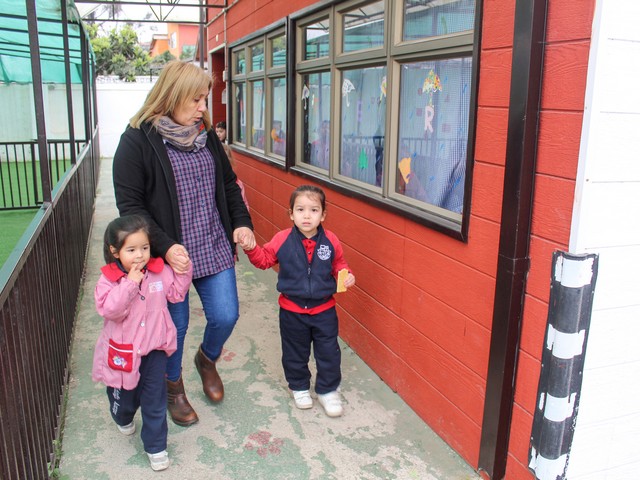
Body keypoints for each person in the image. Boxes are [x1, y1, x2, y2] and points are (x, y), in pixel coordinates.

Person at [112, 61, 255, 427]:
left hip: (211, 244)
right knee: (173, 329)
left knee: (225, 315)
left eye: (204, 99)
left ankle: (206, 359)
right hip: (168, 257)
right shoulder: (136, 141)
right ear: (173, 96)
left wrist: (241, 223)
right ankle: (173, 387)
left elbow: (228, 185)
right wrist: (164, 245)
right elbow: (131, 208)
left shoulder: (205, 134)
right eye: (196, 99)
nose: (203, 107)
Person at [239, 185, 355, 417]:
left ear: (323, 215)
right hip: (292, 311)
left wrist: (347, 275)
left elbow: (339, 264)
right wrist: (251, 249)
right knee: (295, 351)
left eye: (314, 210)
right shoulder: (282, 239)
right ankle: (299, 387)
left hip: (324, 310)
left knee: (329, 352)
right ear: (291, 214)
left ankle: (327, 390)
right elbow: (264, 260)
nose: (307, 215)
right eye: (300, 210)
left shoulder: (330, 240)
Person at [92, 215, 193, 471]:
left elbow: (176, 294)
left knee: (155, 399)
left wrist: (184, 269)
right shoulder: (109, 279)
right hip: (123, 351)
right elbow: (111, 310)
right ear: (115, 251)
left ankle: (156, 446)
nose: (140, 255)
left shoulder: (159, 273)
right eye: (132, 250)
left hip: (154, 349)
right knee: (126, 397)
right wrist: (129, 284)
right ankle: (122, 415)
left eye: (145, 248)